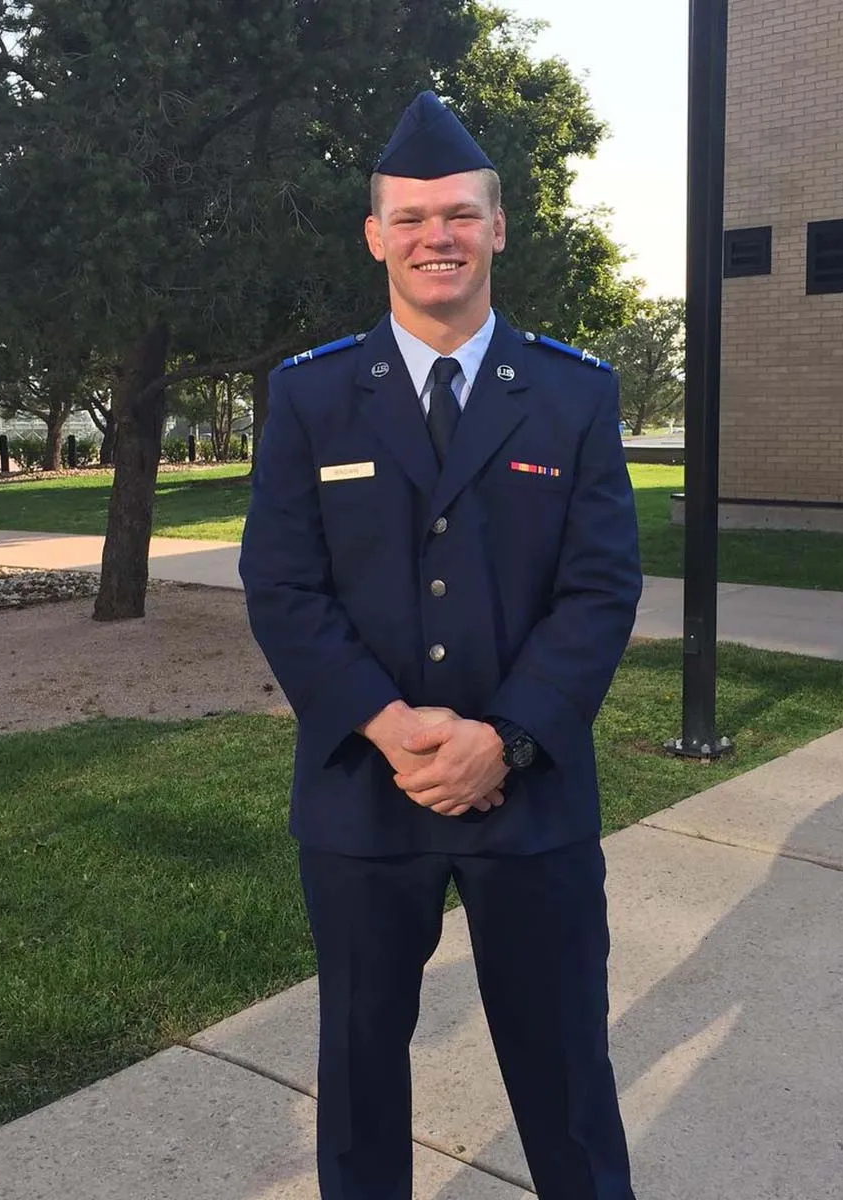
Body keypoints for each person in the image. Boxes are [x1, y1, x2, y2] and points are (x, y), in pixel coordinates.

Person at [239, 90, 642, 1200]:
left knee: (568, 1080)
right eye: (411, 219)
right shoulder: (312, 396)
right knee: (361, 1080)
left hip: (532, 798)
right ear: (375, 236)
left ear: (498, 228)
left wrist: (503, 739)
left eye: (460, 214)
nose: (438, 237)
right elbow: (282, 585)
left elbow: (601, 589)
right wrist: (389, 724)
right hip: (365, 798)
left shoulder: (572, 394)